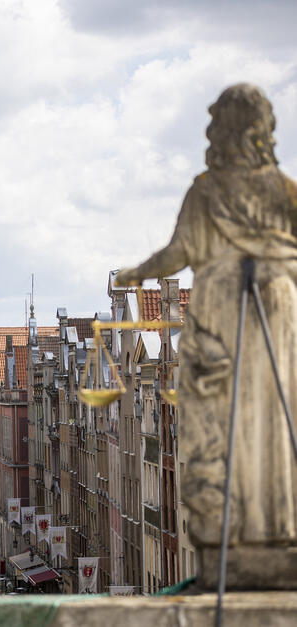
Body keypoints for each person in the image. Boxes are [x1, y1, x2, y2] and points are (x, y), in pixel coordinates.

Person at [115, 84, 297, 574]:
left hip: (224, 307)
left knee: (224, 415)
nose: (210, 132)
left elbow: (177, 253)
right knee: (268, 418)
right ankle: (272, 526)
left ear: (231, 130)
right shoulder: (285, 190)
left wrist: (136, 274)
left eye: (217, 123)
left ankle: (238, 529)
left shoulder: (208, 188)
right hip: (276, 306)